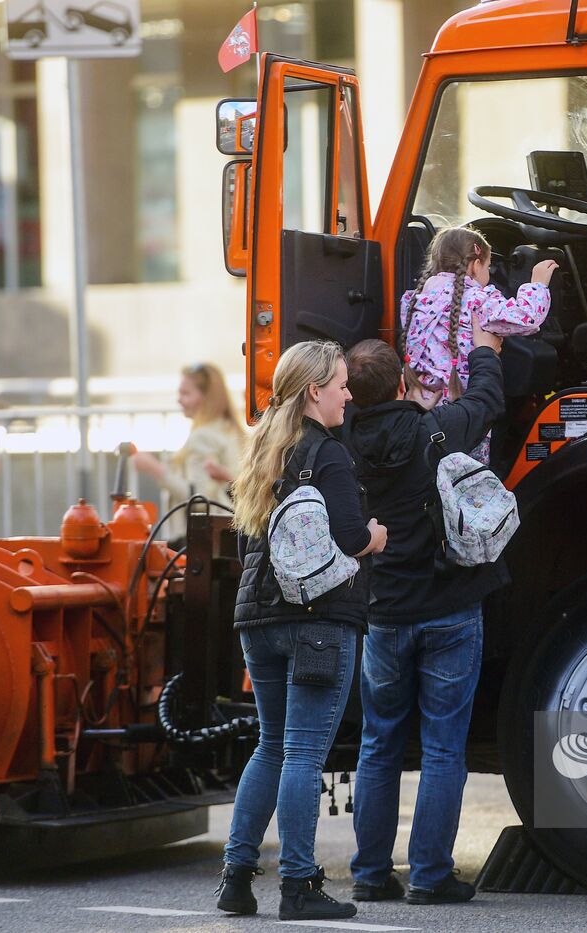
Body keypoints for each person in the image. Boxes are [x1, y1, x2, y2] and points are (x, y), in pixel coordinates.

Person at [215, 341, 388, 922]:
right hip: (317, 620)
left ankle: (235, 881)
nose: (347, 393)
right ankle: (297, 886)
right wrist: (377, 535)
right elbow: (347, 538)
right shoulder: (328, 453)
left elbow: (248, 539)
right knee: (304, 754)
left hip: (257, 620)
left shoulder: (265, 447)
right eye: (340, 384)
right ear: (315, 390)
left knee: (270, 745)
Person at [341, 317, 508, 906]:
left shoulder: (340, 448)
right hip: (448, 608)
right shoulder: (434, 431)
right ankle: (431, 877)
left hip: (383, 612)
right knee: (443, 748)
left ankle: (368, 873)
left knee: (379, 744)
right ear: (404, 381)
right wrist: (486, 351)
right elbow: (487, 400)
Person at [399, 227, 555, 457]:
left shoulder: (411, 301)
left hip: (421, 406)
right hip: (463, 411)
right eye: (488, 266)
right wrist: (538, 283)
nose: (489, 273)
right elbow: (527, 318)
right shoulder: (479, 301)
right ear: (475, 264)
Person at [132, 362, 245, 545]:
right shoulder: (232, 431)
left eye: (185, 394)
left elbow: (200, 500)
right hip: (234, 535)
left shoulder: (203, 437)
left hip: (205, 540)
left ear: (206, 397)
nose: (179, 400)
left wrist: (155, 469)